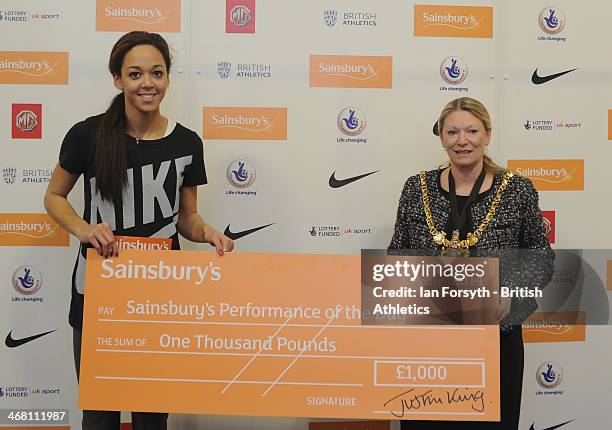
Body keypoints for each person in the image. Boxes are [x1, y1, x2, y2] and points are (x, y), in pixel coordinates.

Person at [44, 31, 234, 430]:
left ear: (167, 78)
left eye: (157, 73)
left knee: (151, 414)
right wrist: (83, 229)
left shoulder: (186, 142)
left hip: (159, 296)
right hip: (97, 292)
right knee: (99, 415)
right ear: (118, 79)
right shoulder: (87, 134)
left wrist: (208, 233)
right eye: (135, 74)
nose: (147, 83)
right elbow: (54, 197)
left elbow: (186, 217)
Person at [388, 97, 553, 430]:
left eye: (472, 131)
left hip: (495, 341)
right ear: (442, 138)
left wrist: (512, 289)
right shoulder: (414, 188)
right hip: (427, 347)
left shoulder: (517, 190)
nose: (462, 140)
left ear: (488, 135)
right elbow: (396, 257)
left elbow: (541, 257)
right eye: (453, 132)